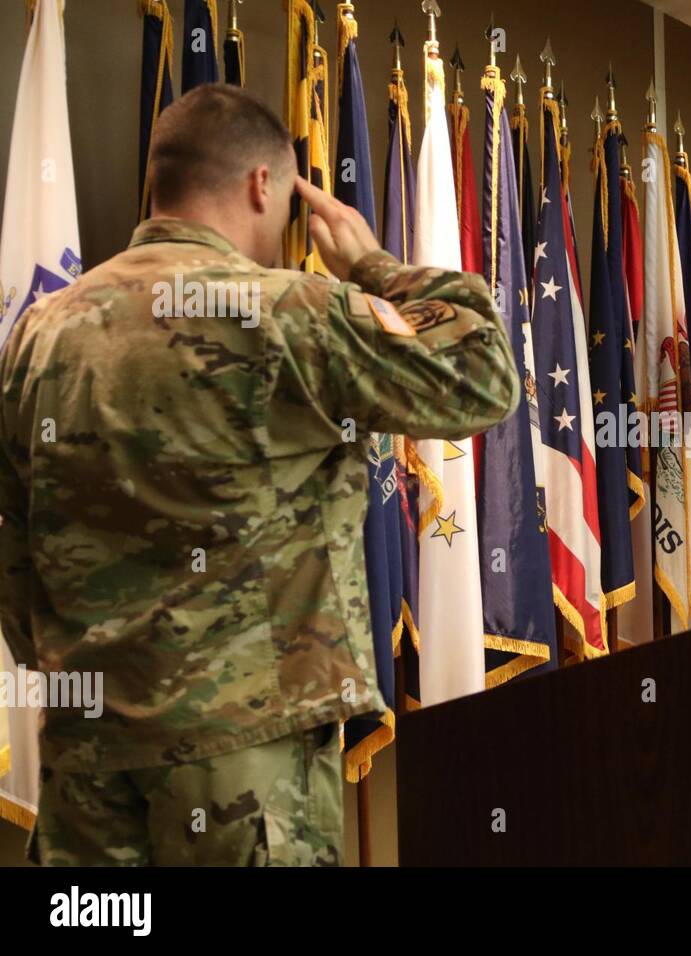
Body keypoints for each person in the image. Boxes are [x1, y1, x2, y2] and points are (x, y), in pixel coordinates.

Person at [0, 85, 520, 865]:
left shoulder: (41, 331)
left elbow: (14, 543)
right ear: (261, 186)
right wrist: (374, 264)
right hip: (247, 772)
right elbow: (484, 376)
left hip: (88, 763)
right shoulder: (289, 312)